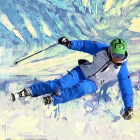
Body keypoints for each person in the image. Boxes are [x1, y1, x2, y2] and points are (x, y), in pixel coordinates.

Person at [11, 37, 134, 120]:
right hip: (82, 71)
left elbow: (126, 88)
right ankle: (31, 90)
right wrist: (69, 44)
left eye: (120, 55)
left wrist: (129, 107)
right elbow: (85, 45)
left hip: (93, 83)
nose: (117, 58)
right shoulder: (101, 49)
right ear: (110, 51)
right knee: (61, 84)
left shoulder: (121, 68)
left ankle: (55, 99)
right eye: (115, 55)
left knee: (80, 89)